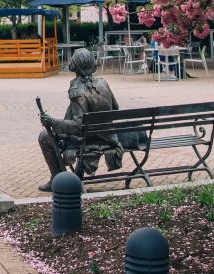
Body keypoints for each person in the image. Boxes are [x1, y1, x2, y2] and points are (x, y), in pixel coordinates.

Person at [36, 47, 140, 191]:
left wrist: (52, 122)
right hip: (108, 136)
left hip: (89, 139)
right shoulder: (103, 83)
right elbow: (115, 108)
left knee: (44, 136)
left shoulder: (76, 90)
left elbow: (79, 126)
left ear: (75, 67)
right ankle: (64, 179)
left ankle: (59, 179)